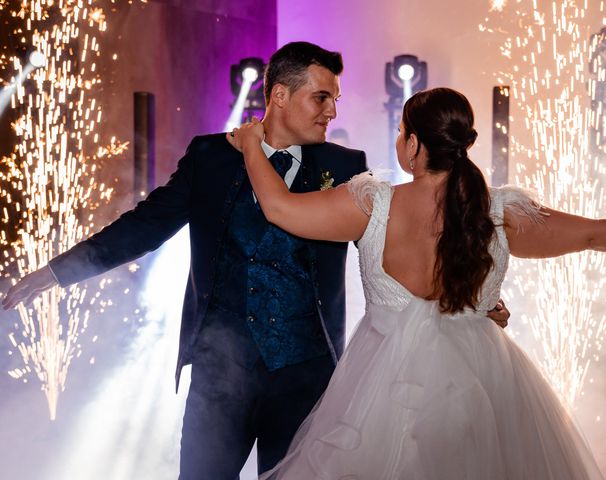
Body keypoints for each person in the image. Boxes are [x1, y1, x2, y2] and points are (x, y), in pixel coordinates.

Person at [1, 43, 509, 478]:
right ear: (280, 96)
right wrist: (55, 272)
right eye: (321, 97)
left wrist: (472, 295)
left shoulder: (346, 167)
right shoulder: (210, 157)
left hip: (308, 378)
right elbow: (145, 226)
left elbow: (403, 244)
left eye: (334, 98)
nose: (332, 111)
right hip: (219, 373)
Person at [227, 87, 606, 479]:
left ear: (413, 146)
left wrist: (250, 143)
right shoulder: (499, 211)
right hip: (481, 381)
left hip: (379, 393)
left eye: (402, 132)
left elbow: (278, 208)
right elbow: (596, 233)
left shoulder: (373, 205)